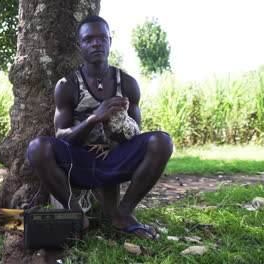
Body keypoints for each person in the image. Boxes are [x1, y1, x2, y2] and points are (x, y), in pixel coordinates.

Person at [26, 15, 173, 239]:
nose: (96, 43)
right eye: (89, 39)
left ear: (109, 42)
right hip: (78, 162)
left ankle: (123, 214)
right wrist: (93, 118)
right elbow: (61, 134)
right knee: (37, 148)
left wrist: (114, 146)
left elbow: (136, 134)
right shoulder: (68, 85)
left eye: (102, 38)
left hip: (114, 162)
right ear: (80, 45)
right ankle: (76, 216)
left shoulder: (127, 83)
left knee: (162, 141)